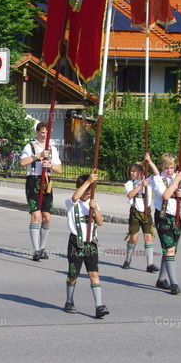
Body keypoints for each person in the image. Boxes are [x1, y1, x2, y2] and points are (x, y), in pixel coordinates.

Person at [63, 170, 108, 319]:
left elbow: (100, 222)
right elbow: (75, 197)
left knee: (94, 274)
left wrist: (95, 210)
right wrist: (88, 181)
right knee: (73, 274)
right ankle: (69, 300)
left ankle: (99, 305)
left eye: (90, 192)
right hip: (76, 243)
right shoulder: (71, 203)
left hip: (91, 244)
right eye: (86, 191)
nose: (88, 194)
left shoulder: (92, 203)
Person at [147, 153, 181, 294]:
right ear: (162, 167)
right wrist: (175, 181)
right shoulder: (157, 179)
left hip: (177, 218)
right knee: (169, 249)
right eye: (166, 168)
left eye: (171, 168)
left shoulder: (180, 181)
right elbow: (165, 195)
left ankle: (161, 279)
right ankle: (174, 284)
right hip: (163, 218)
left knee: (170, 250)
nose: (169, 170)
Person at [20, 122, 62, 261]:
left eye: (47, 132)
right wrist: (38, 156)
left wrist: (50, 165)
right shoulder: (30, 146)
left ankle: (43, 247)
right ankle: (36, 249)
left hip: (46, 183)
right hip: (33, 182)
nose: (44, 135)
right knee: (35, 215)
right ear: (37, 132)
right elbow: (23, 162)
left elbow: (59, 169)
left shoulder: (52, 149)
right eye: (42, 132)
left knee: (47, 217)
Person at [122, 160, 158, 272]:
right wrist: (140, 186)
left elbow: (157, 174)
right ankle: (128, 259)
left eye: (134, 171)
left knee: (148, 237)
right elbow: (130, 194)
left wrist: (149, 161)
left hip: (146, 213)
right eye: (131, 171)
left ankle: (150, 264)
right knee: (133, 238)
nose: (131, 173)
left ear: (141, 173)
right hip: (135, 213)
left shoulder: (149, 181)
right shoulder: (130, 183)